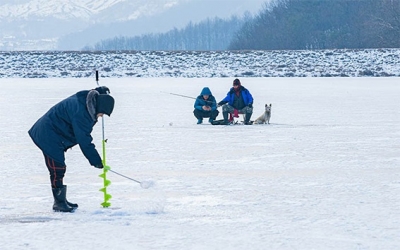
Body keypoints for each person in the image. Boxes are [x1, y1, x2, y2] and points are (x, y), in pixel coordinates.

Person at [28, 86, 115, 212]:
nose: (101, 116)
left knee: (59, 168)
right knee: (57, 168)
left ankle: (62, 200)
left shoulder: (88, 100)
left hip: (55, 132)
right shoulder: (82, 113)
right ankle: (59, 203)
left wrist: (101, 91)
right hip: (48, 134)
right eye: (102, 113)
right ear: (98, 107)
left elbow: (95, 94)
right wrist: (96, 160)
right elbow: (84, 140)